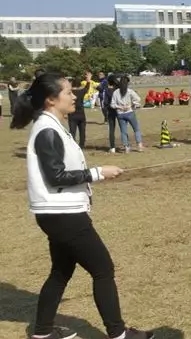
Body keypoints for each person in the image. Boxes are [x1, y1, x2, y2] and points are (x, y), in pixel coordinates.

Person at [9, 73, 154, 339]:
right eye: (68, 92)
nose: (74, 96)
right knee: (103, 269)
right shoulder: (47, 130)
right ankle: (119, 334)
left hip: (59, 213)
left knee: (61, 272)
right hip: (63, 214)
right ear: (51, 100)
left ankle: (42, 333)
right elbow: (56, 176)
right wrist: (98, 173)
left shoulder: (52, 125)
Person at [110, 76, 144, 153]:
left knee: (123, 131)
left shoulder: (115, 92)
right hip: (129, 112)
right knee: (136, 129)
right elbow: (138, 99)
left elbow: (112, 104)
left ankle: (126, 147)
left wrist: (119, 107)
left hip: (120, 114)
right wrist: (132, 104)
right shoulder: (130, 91)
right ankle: (139, 145)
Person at [67, 73, 91, 149]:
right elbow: (87, 88)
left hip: (72, 114)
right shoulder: (82, 91)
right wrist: (88, 80)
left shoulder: (70, 92)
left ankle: (72, 145)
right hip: (81, 114)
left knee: (72, 131)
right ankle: (82, 145)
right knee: (82, 131)